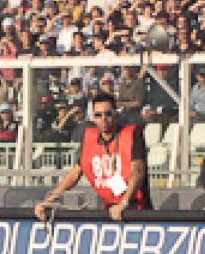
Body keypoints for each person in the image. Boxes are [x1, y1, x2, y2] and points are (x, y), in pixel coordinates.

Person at [32, 92, 151, 221]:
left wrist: (124, 203)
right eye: (98, 115)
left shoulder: (132, 134)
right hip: (109, 208)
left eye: (108, 114)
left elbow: (138, 171)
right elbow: (75, 172)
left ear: (116, 115)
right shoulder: (90, 138)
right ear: (93, 118)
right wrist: (49, 200)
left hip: (136, 210)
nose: (103, 119)